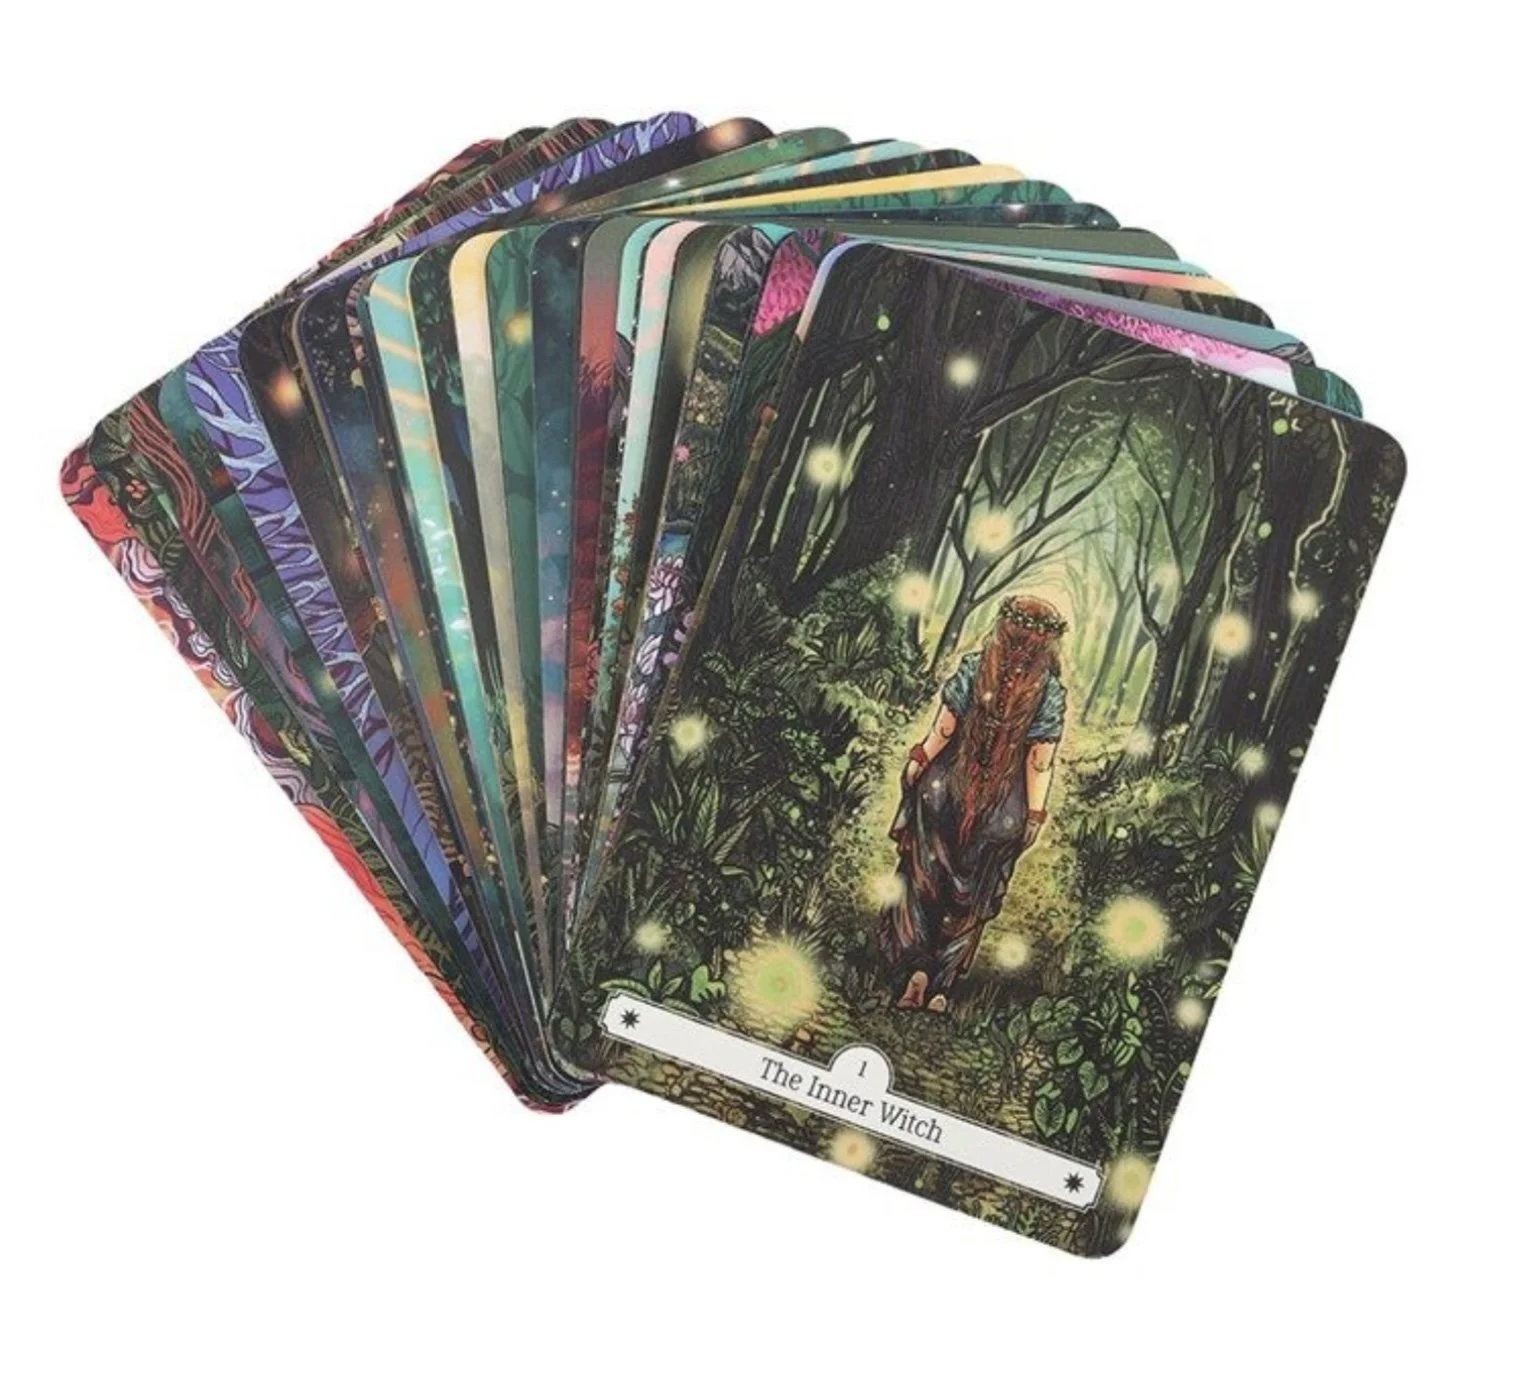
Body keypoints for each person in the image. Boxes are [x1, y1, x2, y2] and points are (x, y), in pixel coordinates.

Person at [880, 595, 1067, 1011]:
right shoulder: (1051, 692)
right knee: (974, 893)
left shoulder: (974, 666)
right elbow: (1039, 761)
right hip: (1003, 810)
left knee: (925, 877)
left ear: (1003, 629)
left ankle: (916, 970)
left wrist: (919, 761)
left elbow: (945, 729)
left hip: (943, 789)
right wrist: (1034, 814)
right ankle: (942, 986)